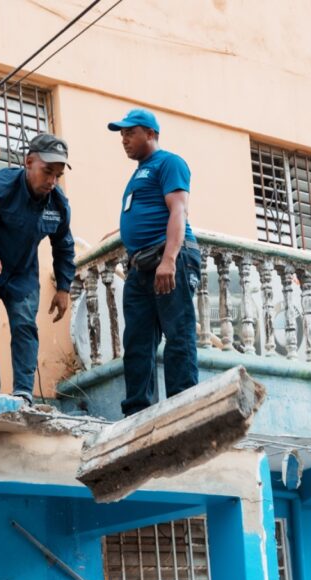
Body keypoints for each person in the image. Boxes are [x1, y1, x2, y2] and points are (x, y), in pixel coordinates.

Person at [0, 133, 76, 400]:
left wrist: (64, 287)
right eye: (47, 172)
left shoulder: (58, 204)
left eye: (58, 175)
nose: (52, 181)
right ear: (28, 162)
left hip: (21, 273)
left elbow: (64, 246)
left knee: (24, 325)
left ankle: (23, 393)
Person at [107, 108, 201, 416]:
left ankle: (182, 404)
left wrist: (169, 260)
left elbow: (178, 211)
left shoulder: (168, 162)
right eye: (121, 135)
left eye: (129, 133)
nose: (124, 140)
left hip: (168, 258)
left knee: (178, 333)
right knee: (136, 341)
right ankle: (136, 411)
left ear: (150, 134)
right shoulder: (138, 173)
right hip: (141, 266)